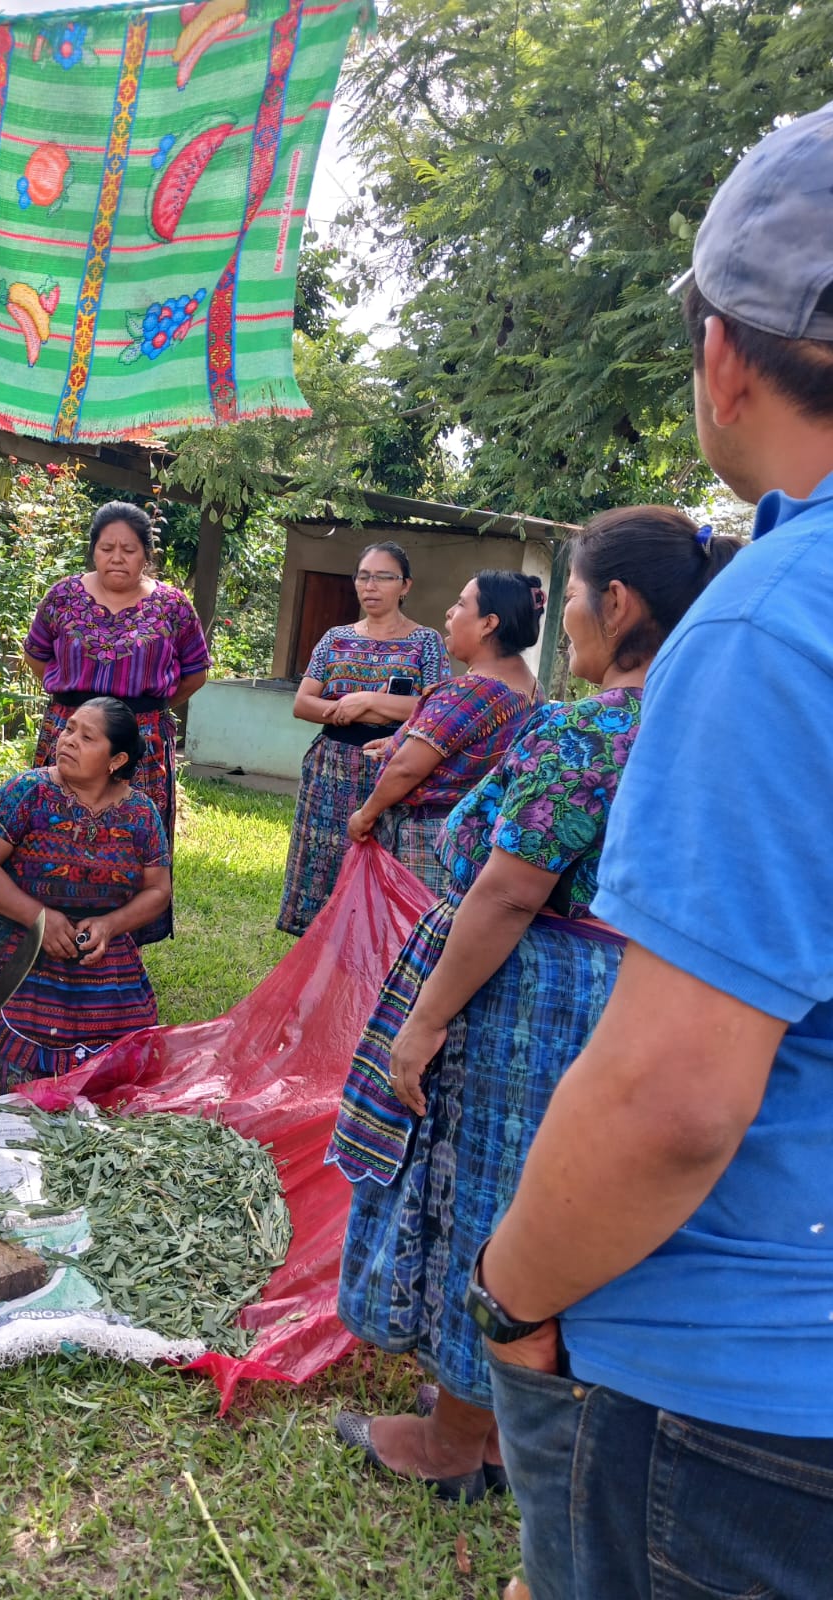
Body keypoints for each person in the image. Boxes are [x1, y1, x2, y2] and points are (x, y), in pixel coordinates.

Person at [474, 104, 833, 1599]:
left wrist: (510, 1297)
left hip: (746, 1389)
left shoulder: (771, 627)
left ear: (724, 352)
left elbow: (675, 1097)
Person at [328, 508, 738, 1501]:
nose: (571, 626)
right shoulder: (716, 728)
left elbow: (509, 890)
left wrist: (423, 1021)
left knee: (491, 1195)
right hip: (634, 988)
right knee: (571, 1198)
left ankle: (456, 1438)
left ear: (621, 604)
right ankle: (520, 1437)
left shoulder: (589, 728)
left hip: (534, 989)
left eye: (580, 600)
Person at [0, 698, 171, 1089]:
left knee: (124, 1077)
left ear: (116, 760)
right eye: (69, 729)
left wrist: (109, 926)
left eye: (86, 737)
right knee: (10, 1080)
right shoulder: (28, 792)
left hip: (99, 955)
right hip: (22, 946)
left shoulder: (141, 813)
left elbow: (158, 890)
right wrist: (39, 918)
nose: (68, 741)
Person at [23, 501, 208, 945]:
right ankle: (50, 927)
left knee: (131, 838)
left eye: (129, 548)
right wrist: (78, 711)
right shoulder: (63, 596)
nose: (117, 557)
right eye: (107, 548)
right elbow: (36, 655)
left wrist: (146, 710)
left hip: (139, 740)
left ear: (146, 553)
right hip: (68, 729)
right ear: (93, 551)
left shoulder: (172, 606)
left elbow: (196, 670)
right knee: (55, 825)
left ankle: (121, 938)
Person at [277, 543, 449, 935]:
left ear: (405, 585)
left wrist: (368, 701)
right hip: (332, 766)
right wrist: (347, 711)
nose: (371, 586)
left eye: (383, 577)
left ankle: (376, 948)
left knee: (385, 858)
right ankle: (318, 946)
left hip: (395, 764)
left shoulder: (426, 642)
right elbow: (303, 703)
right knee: (325, 857)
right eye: (364, 576)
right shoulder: (335, 638)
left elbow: (435, 708)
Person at [347, 571, 545, 886]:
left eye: (461, 604)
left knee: (413, 926)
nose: (449, 613)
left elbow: (406, 769)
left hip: (429, 844)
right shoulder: (532, 689)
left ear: (488, 624)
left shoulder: (471, 691)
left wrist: (365, 814)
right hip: (480, 843)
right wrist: (396, 741)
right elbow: (469, 748)